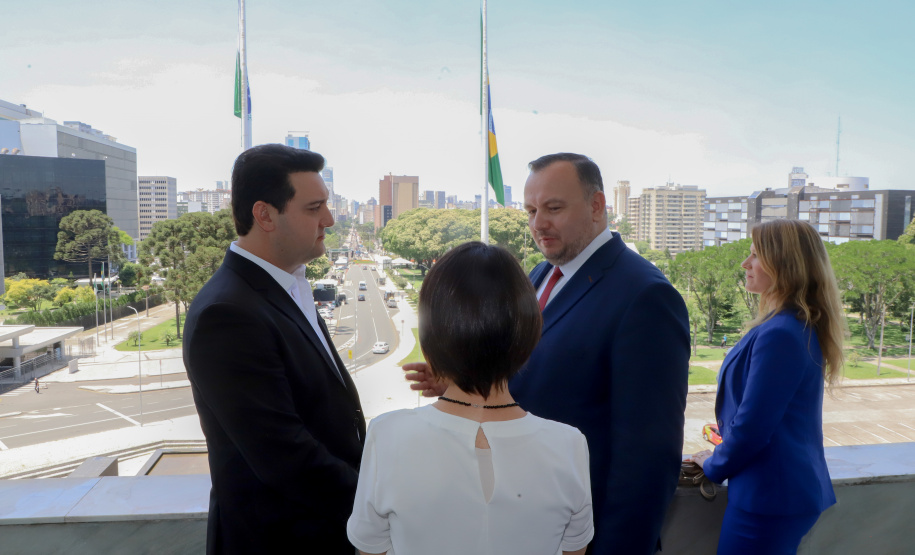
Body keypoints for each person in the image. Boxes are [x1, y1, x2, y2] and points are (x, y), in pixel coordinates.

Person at [406, 153, 690, 554]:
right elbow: (528, 375)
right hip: (522, 521)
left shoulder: (646, 296)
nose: (539, 224)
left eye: (553, 208)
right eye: (531, 210)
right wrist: (462, 382)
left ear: (597, 206)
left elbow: (648, 457)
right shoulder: (540, 274)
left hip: (587, 534)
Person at [350, 242, 593, 555]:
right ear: (527, 336)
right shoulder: (569, 446)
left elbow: (371, 549)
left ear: (430, 339)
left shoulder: (387, 437)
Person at [183, 144, 365, 555]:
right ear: (264, 215)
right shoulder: (227, 314)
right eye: (314, 207)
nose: (329, 220)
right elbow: (285, 457)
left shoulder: (288, 286)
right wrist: (380, 503)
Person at [691, 219, 844, 554]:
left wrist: (714, 464)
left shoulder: (781, 333)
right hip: (780, 491)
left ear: (784, 265)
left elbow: (754, 426)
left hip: (770, 498)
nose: (745, 264)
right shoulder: (790, 325)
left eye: (755, 255)